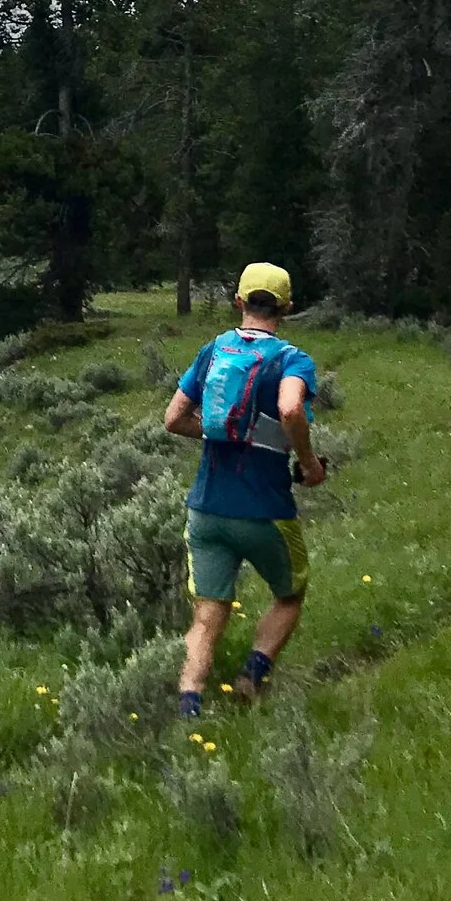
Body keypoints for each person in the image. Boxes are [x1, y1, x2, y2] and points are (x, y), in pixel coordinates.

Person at [162, 262, 324, 714]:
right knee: (290, 594)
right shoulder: (292, 360)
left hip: (206, 508)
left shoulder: (213, 351)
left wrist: (221, 432)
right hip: (265, 511)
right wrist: (308, 463)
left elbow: (173, 419)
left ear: (238, 302)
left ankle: (189, 706)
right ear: (286, 308)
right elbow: (290, 409)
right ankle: (252, 675)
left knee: (208, 611)